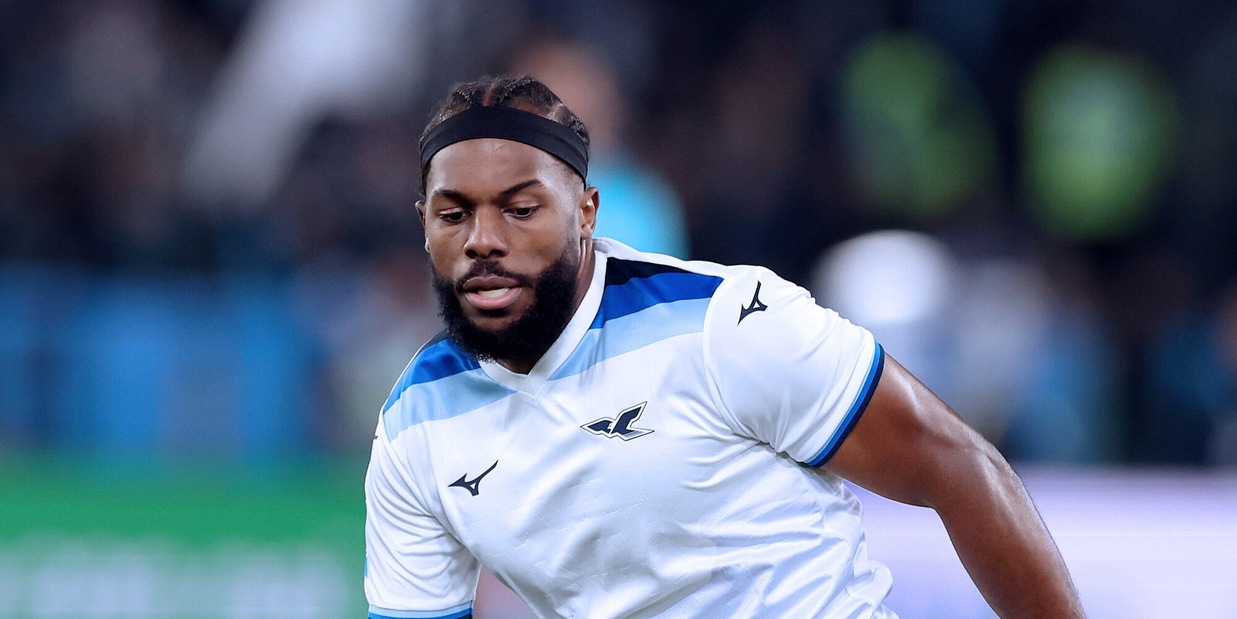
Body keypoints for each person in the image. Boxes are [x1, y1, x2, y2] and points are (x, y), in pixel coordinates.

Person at [364, 75, 1086, 619]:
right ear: (424, 224)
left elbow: (954, 464)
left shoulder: (723, 323)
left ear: (585, 212)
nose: (483, 240)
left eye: (521, 210)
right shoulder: (414, 425)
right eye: (453, 215)